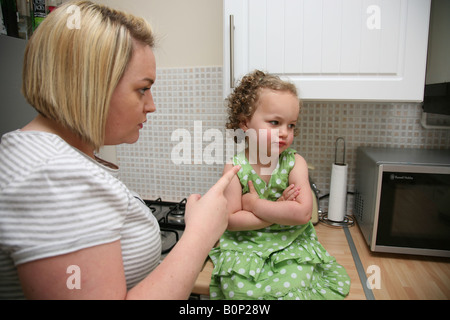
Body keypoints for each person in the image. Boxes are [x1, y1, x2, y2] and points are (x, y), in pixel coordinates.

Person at [0, 0, 240, 300]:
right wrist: (200, 235)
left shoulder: (36, 154)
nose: (152, 106)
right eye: (142, 88)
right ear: (91, 83)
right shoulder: (55, 176)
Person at [209, 70, 351, 300]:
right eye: (275, 123)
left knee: (292, 286)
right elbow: (232, 221)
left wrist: (254, 204)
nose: (285, 132)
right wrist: (280, 210)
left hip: (290, 244)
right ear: (245, 122)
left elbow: (303, 213)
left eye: (291, 125)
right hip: (245, 245)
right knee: (240, 290)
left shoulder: (295, 163)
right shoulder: (234, 168)